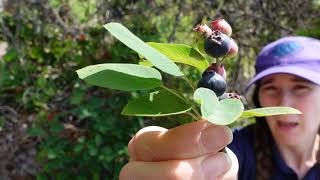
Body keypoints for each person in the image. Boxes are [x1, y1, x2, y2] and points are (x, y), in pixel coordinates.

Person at [119, 36, 320, 180]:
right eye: (270, 88)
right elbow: (225, 163)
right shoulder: (238, 147)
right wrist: (201, 165)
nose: (284, 101)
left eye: (301, 87)